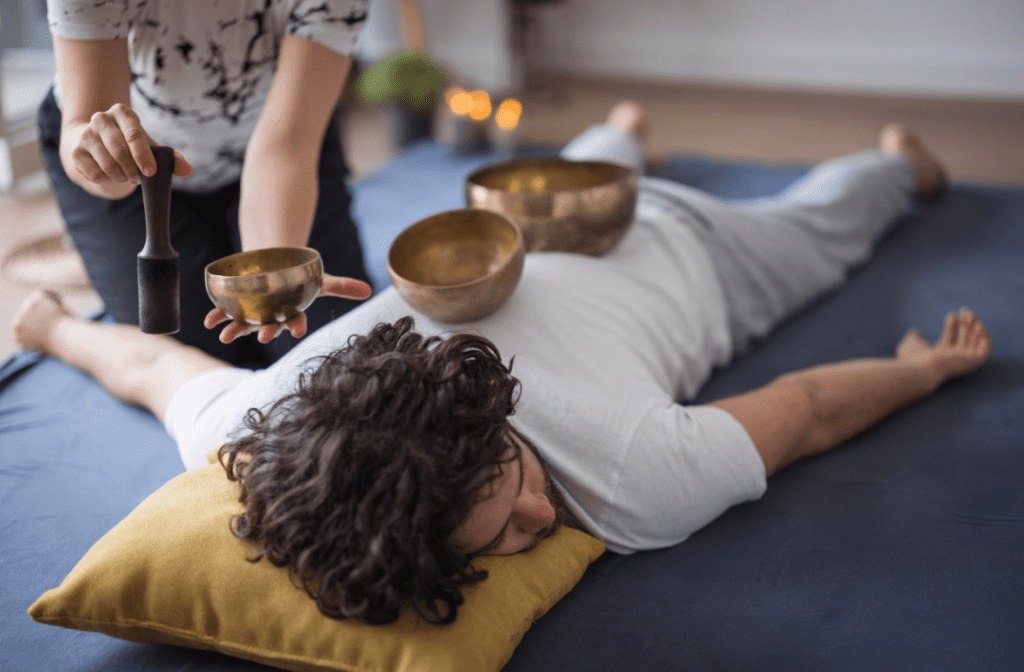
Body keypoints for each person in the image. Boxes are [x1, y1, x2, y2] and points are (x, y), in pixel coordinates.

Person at [13, 103, 992, 626]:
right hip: (513, 218)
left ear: (490, 420)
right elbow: (148, 369)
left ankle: (903, 163)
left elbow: (810, 406)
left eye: (514, 484)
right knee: (576, 173)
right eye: (505, 537)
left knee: (827, 223)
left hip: (686, 245)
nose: (540, 516)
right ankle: (620, 131)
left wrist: (920, 372)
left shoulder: (633, 479)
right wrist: (50, 327)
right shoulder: (263, 421)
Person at [38, 0, 374, 368]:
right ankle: (50, 325)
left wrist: (269, 278)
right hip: (144, 178)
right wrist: (105, 163)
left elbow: (287, 146)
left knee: (329, 357)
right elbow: (85, 128)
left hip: (279, 141)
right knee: (195, 359)